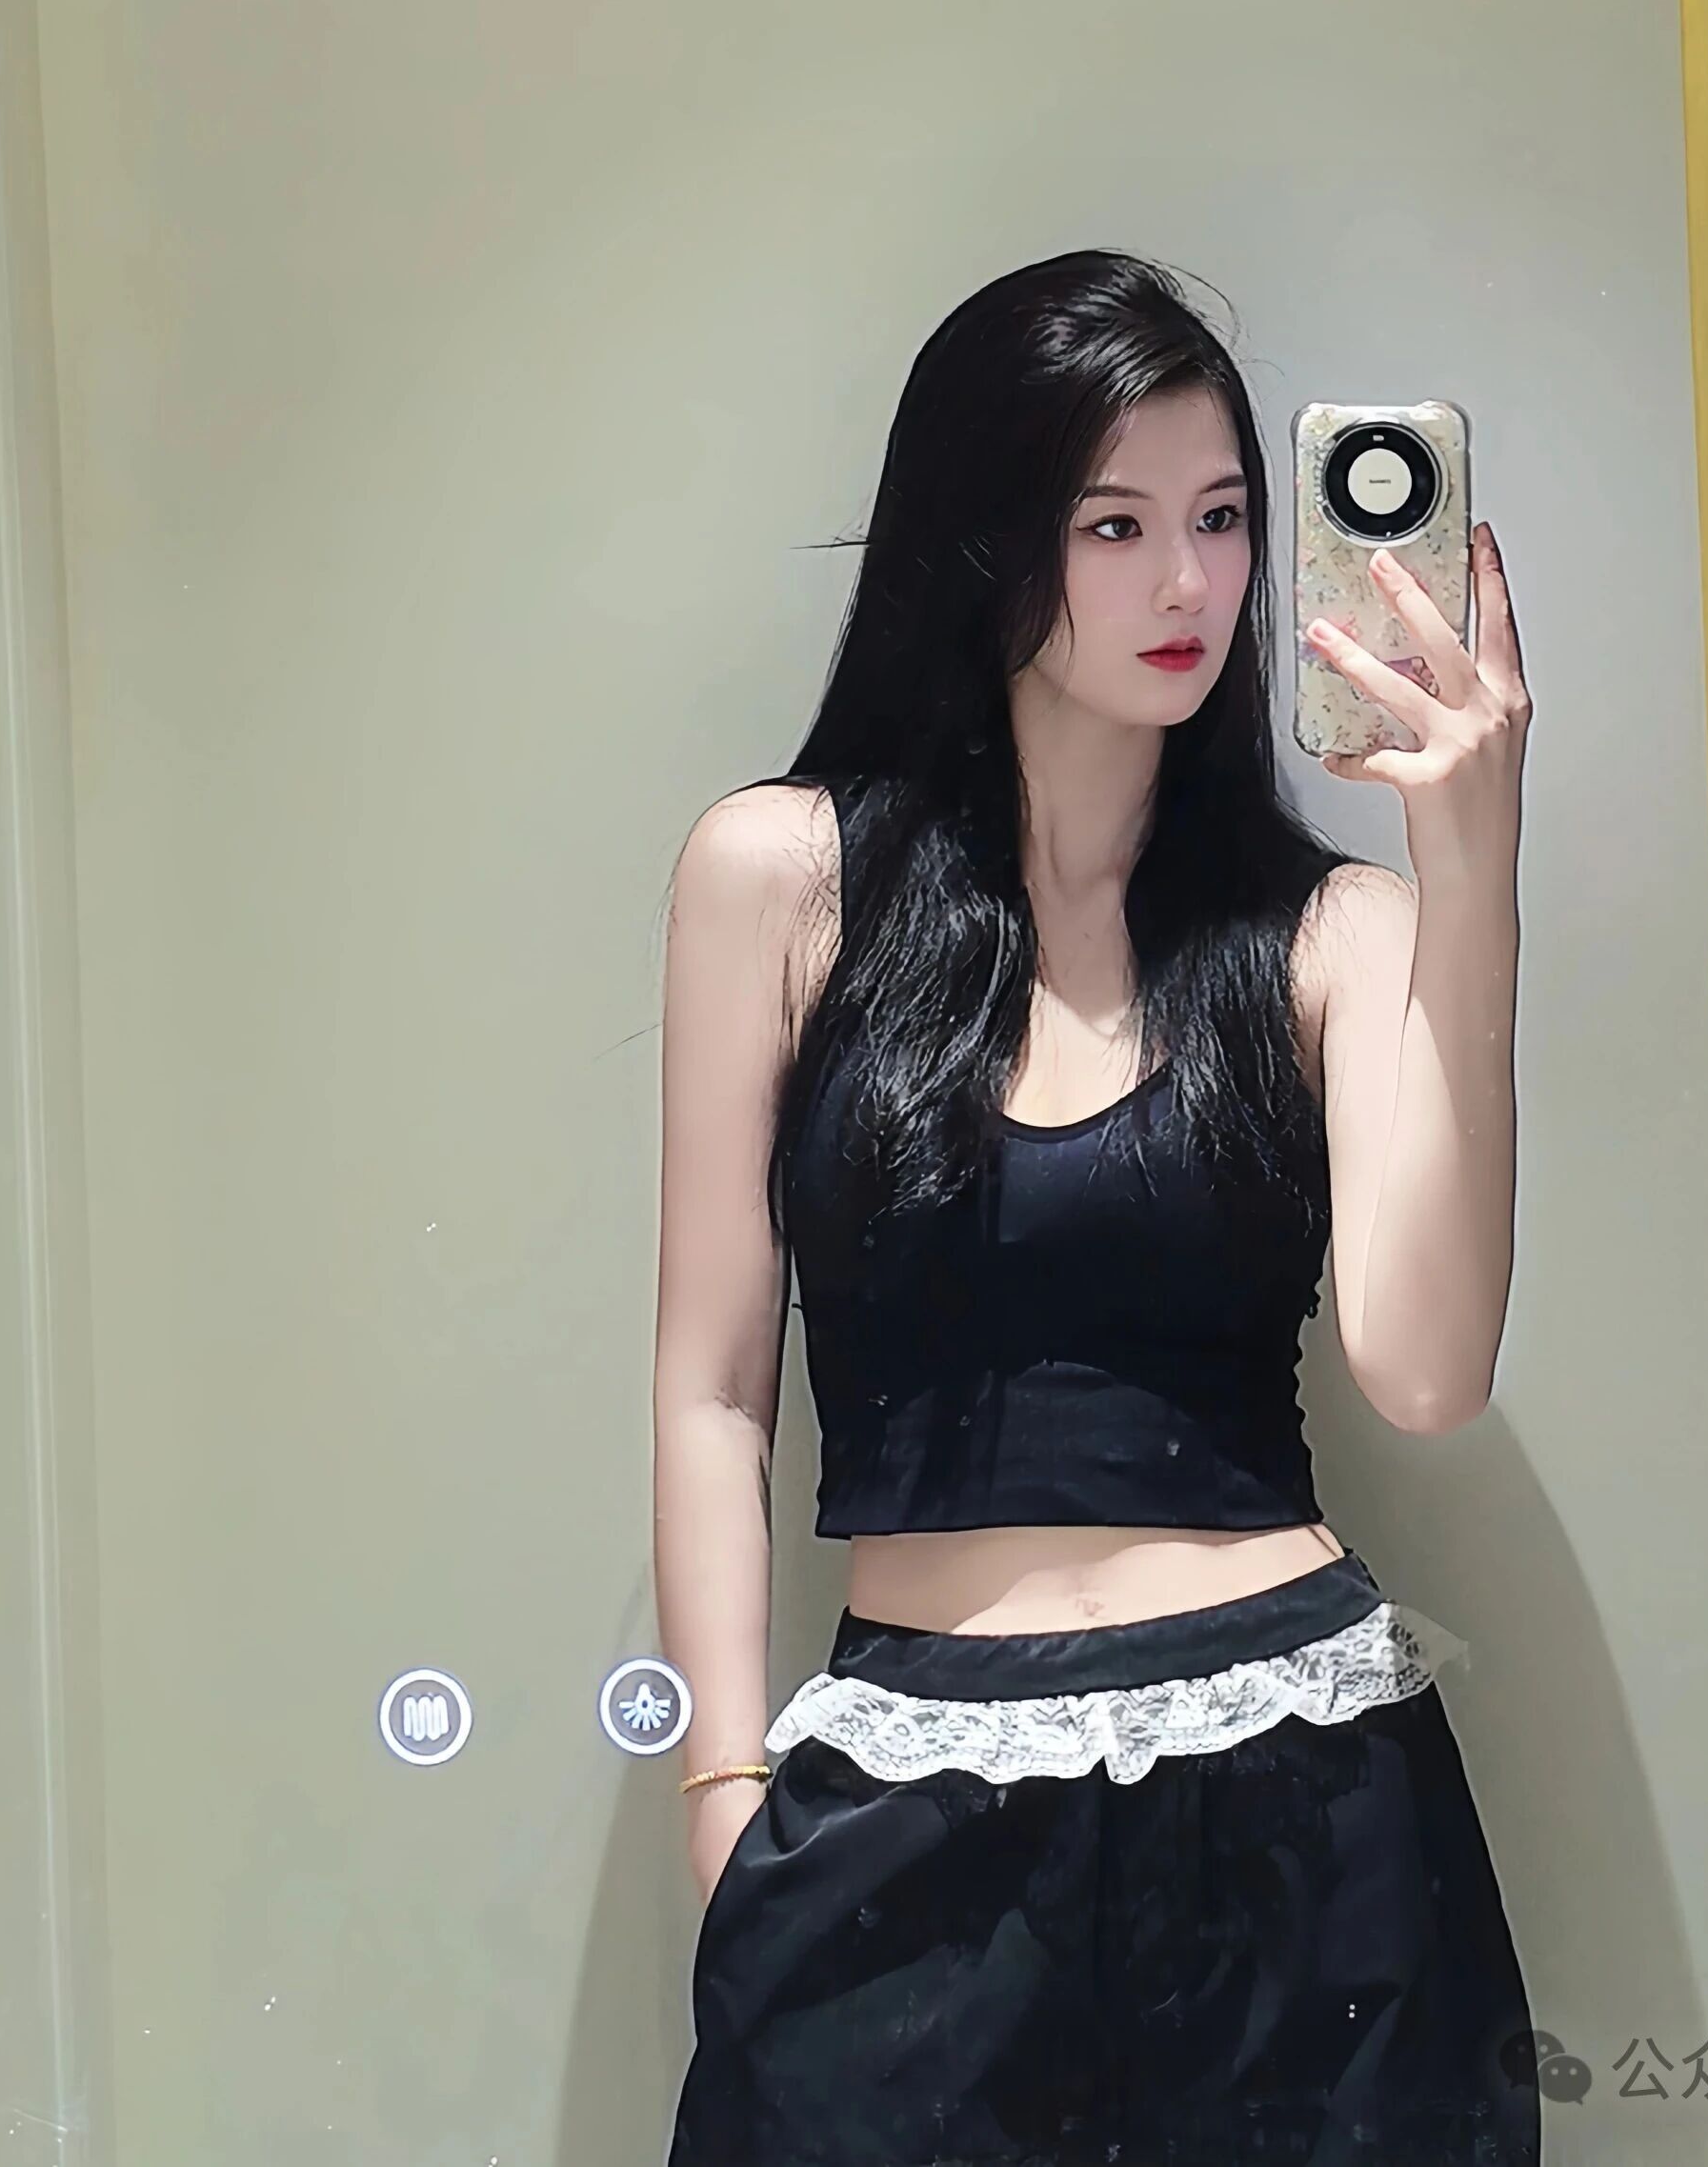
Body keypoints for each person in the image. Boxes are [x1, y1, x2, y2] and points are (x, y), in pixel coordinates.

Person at [655, 249, 1538, 2166]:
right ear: (984, 542)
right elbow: (713, 1384)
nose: (1189, 584)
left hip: (1304, 1815)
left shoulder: (1332, 932)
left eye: (1221, 518)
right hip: (902, 1797)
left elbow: (1423, 1372)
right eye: (1116, 524)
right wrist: (725, 1796)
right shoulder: (779, 881)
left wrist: (1470, 869)